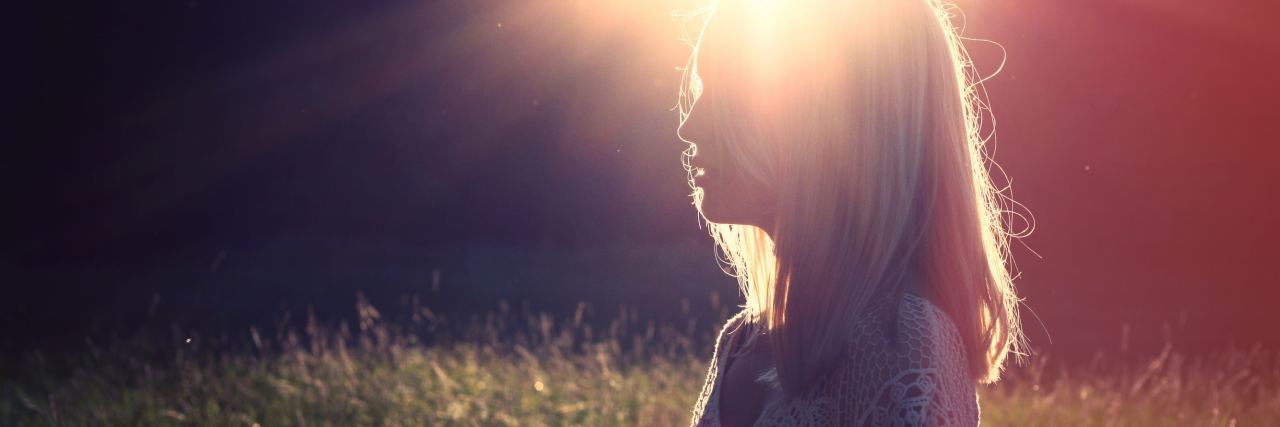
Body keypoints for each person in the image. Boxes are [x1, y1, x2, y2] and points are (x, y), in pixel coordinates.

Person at [674, 0, 1030, 425]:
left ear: (830, 116)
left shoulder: (902, 342)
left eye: (726, 93)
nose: (689, 126)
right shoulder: (741, 340)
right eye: (702, 91)